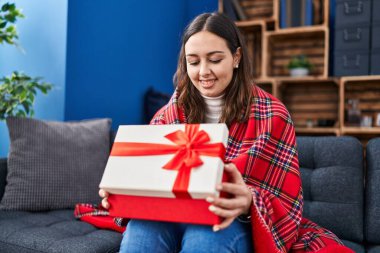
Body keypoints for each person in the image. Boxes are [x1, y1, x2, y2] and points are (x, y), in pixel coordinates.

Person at [97, 12, 353, 253]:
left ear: (236, 57)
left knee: (204, 237)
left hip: (233, 220)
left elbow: (285, 200)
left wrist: (250, 202)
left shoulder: (273, 115)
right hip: (171, 213)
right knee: (140, 234)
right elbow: (150, 179)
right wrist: (124, 193)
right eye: (193, 62)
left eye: (215, 59)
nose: (203, 72)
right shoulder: (168, 114)